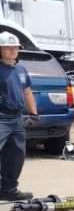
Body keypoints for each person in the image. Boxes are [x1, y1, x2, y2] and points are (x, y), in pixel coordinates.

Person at [0, 31, 37, 201]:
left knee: (16, 156)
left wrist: (33, 113)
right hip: (1, 119)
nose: (13, 50)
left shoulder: (21, 69)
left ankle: (9, 190)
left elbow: (27, 92)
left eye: (15, 47)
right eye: (8, 48)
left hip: (17, 120)